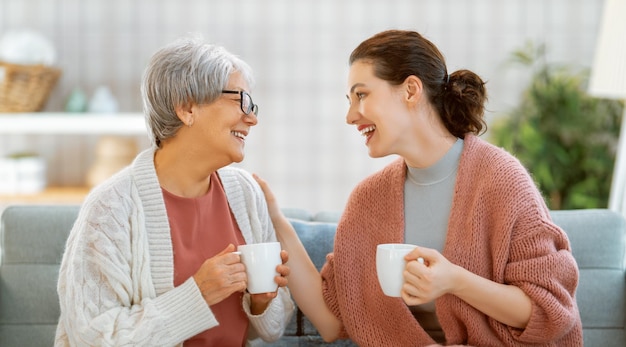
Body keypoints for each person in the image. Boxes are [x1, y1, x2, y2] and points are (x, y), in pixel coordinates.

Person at [253, 29, 583, 346]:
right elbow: (331, 322)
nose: (351, 116)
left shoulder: (501, 180)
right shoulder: (368, 199)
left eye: (362, 95)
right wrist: (275, 219)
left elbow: (549, 310)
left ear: (411, 90)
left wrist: (455, 281)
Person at [55, 37, 294, 347]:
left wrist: (262, 301)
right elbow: (94, 338)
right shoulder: (110, 207)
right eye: (241, 101)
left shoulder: (245, 192)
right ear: (187, 107)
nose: (252, 117)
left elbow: (272, 330)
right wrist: (199, 293)